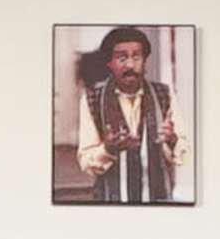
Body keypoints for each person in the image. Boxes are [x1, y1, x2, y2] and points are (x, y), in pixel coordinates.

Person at [72, 25, 183, 204]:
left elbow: (183, 152)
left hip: (158, 203)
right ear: (109, 63)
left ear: (145, 60)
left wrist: (172, 140)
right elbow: (86, 161)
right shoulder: (92, 99)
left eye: (136, 57)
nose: (130, 65)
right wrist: (108, 149)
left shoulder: (165, 94)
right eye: (122, 58)